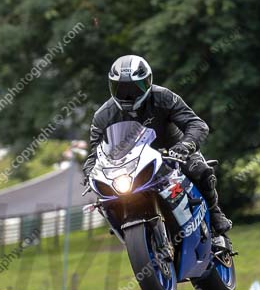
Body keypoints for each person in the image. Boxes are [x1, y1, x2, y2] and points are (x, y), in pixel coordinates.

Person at [83, 54, 232, 236]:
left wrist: (185, 145)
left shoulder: (164, 97)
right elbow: (96, 153)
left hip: (173, 152)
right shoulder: (103, 115)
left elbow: (197, 124)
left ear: (148, 82)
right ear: (111, 87)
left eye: (135, 87)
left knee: (200, 170)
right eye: (122, 89)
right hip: (132, 165)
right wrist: (90, 171)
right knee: (106, 197)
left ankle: (215, 213)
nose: (129, 95)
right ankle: (125, 226)